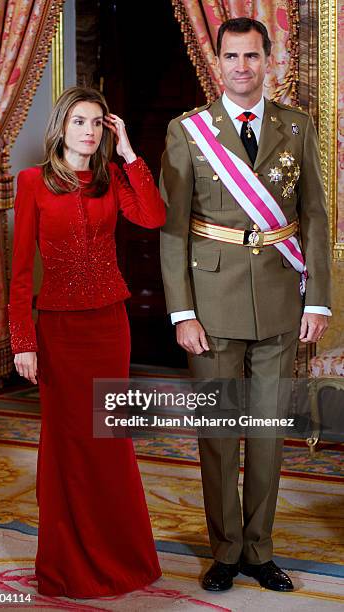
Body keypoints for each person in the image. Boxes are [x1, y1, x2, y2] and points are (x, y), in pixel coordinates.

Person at [160, 18, 331, 593]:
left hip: (283, 302)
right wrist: (182, 312)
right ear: (219, 63)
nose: (241, 66)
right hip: (211, 308)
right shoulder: (189, 132)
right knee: (218, 435)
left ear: (267, 59)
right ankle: (225, 551)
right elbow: (173, 230)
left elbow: (313, 217)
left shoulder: (296, 126)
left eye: (251, 56)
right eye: (231, 56)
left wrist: (320, 303)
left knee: (265, 435)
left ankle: (260, 550)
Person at [8, 86, 165, 597]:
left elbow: (153, 216)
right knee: (67, 444)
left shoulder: (111, 178)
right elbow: (19, 274)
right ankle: (67, 562)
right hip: (57, 331)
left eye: (98, 123)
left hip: (108, 327)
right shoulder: (32, 182)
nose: (89, 131)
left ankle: (121, 557)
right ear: (62, 126)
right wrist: (21, 341)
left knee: (109, 441)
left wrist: (130, 154)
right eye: (80, 121)